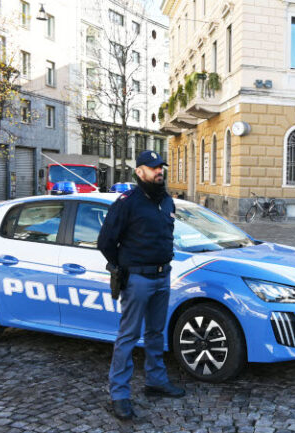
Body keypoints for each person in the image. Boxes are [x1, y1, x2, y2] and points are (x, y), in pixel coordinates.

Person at [97, 150, 185, 420]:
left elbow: (166, 236)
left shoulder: (167, 201)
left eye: (161, 167)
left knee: (157, 333)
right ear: (140, 172)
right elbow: (106, 242)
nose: (160, 171)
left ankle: (156, 381)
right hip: (137, 279)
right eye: (153, 167)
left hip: (162, 276)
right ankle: (119, 395)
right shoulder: (127, 202)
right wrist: (122, 267)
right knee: (128, 336)